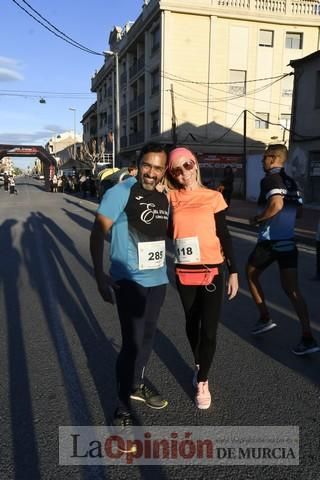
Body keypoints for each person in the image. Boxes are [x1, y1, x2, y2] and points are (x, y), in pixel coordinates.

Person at [90, 142, 169, 430]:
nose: (151, 172)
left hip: (158, 281)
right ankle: (122, 407)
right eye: (147, 165)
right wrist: (99, 275)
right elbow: (97, 233)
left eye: (158, 167)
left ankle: (136, 384)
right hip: (129, 281)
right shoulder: (120, 192)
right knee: (131, 345)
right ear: (138, 164)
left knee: (147, 340)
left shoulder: (164, 198)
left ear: (164, 171)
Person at [166, 147, 239, 409]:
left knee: (209, 330)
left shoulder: (213, 197)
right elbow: (159, 228)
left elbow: (225, 234)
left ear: (195, 165)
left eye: (186, 165)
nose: (183, 172)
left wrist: (233, 271)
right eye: (176, 169)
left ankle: (203, 379)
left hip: (211, 269)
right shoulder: (171, 197)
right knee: (191, 323)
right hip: (184, 270)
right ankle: (199, 361)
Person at [246, 144, 320, 355]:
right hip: (288, 241)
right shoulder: (292, 182)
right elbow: (299, 213)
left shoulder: (270, 179)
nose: (262, 161)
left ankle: (265, 317)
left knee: (250, 274)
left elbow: (276, 204)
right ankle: (308, 338)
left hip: (270, 242)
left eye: (264, 158)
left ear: (273, 158)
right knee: (293, 291)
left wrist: (257, 219)